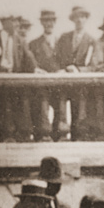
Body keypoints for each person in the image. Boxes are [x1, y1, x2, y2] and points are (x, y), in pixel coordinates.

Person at [0, 12, 37, 140]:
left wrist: (35, 68)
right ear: (4, 23)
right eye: (14, 21)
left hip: (16, 83)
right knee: (4, 110)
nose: (17, 24)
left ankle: (21, 136)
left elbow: (30, 62)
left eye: (17, 21)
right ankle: (6, 136)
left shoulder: (20, 41)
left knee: (20, 109)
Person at [55, 6, 96, 140]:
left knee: (80, 111)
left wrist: (78, 70)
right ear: (73, 19)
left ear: (86, 19)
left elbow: (93, 65)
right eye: (76, 17)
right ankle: (61, 135)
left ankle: (78, 137)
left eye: (82, 17)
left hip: (81, 83)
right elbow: (56, 58)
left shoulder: (91, 40)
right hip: (64, 81)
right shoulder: (64, 38)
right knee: (61, 109)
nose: (79, 20)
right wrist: (61, 69)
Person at [30, 11, 61, 140]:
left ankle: (59, 135)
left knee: (60, 108)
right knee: (42, 108)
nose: (49, 24)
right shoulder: (34, 44)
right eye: (46, 21)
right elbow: (31, 63)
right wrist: (36, 69)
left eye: (51, 21)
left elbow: (67, 60)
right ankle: (44, 134)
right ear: (42, 23)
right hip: (42, 84)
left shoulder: (62, 42)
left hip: (59, 83)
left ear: (55, 22)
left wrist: (63, 70)